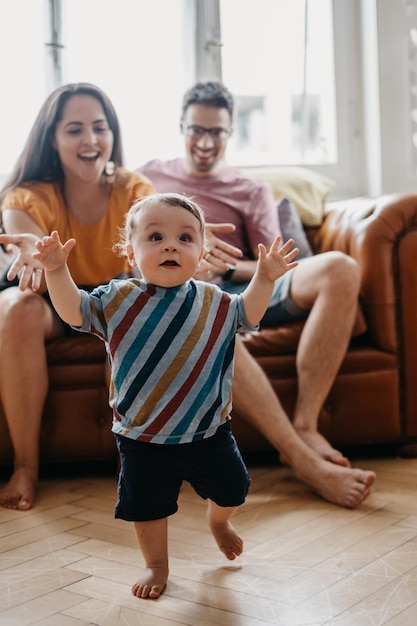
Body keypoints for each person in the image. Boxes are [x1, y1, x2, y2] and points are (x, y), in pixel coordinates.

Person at [32, 192, 299, 599]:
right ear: (130, 252)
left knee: (234, 490)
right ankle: (156, 564)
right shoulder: (117, 299)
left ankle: (218, 521)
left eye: (185, 238)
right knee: (148, 508)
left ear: (202, 250)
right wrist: (56, 271)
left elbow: (250, 313)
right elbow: (74, 312)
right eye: (155, 237)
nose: (171, 245)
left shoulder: (216, 301)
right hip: (142, 437)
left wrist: (264, 279)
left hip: (209, 431)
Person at [137, 81, 376, 509]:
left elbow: (276, 260)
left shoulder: (250, 189)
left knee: (341, 267)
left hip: (248, 285)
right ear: (181, 127)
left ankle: (305, 423)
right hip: (191, 292)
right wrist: (189, 261)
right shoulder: (149, 177)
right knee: (207, 310)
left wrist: (226, 264)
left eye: (217, 132)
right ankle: (303, 461)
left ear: (230, 134)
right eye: (197, 130)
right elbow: (132, 248)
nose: (206, 142)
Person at [0, 82, 157, 511]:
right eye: (74, 130)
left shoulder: (135, 189)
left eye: (99, 127)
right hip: (52, 292)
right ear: (52, 139)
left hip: (111, 297)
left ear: (112, 134)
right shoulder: (28, 194)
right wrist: (31, 253)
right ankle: (25, 467)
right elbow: (26, 243)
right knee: (13, 306)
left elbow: (158, 243)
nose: (90, 140)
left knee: (151, 302)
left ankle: (136, 466)